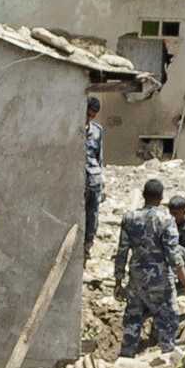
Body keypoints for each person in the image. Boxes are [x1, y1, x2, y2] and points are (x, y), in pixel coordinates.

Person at [111, 176, 185, 353]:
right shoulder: (167, 220)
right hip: (160, 281)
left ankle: (126, 357)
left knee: (133, 320)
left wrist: (118, 281)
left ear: (143, 195)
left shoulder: (130, 218)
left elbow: (122, 252)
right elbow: (173, 256)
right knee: (168, 319)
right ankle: (166, 356)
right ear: (161, 198)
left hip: (136, 280)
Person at [81, 95, 105, 257]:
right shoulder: (74, 128)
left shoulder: (97, 130)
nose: (89, 118)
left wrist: (103, 182)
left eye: (93, 116)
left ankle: (87, 245)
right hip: (78, 180)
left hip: (94, 179)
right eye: (88, 114)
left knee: (93, 214)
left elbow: (100, 158)